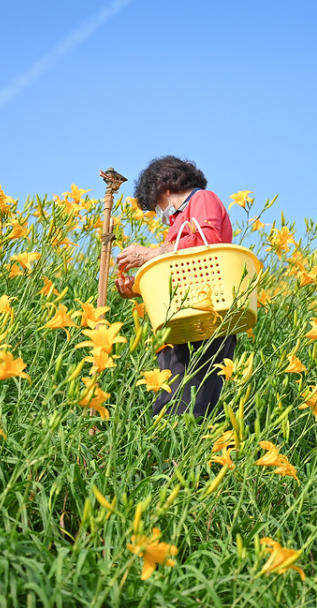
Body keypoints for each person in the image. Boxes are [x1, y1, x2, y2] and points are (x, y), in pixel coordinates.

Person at [115, 156, 236, 419]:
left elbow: (209, 242)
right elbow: (177, 274)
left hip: (207, 317)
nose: (159, 212)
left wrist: (150, 254)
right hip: (182, 320)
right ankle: (165, 458)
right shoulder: (177, 223)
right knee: (168, 405)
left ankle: (180, 461)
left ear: (164, 190)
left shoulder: (202, 199)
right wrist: (136, 288)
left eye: (156, 204)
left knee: (191, 407)